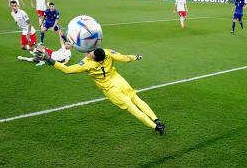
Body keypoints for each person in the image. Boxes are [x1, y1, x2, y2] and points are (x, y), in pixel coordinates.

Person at [34, 48, 165, 135]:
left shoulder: (86, 64)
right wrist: (136, 57)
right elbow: (125, 58)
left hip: (111, 89)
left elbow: (67, 70)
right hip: (119, 80)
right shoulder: (107, 53)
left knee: (132, 106)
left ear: (95, 58)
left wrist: (49, 59)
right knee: (136, 99)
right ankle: (156, 119)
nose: (88, 53)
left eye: (90, 53)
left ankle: (155, 126)